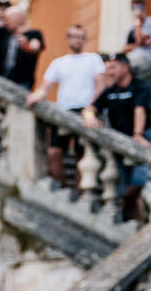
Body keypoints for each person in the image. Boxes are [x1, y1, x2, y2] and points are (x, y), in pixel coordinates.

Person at [84, 55, 151, 221]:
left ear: (125, 67)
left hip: (142, 140)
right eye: (107, 69)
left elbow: (139, 110)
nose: (108, 72)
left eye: (112, 68)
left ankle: (135, 216)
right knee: (125, 187)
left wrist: (138, 135)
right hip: (120, 145)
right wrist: (90, 116)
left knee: (137, 185)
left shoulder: (140, 86)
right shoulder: (110, 91)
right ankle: (136, 220)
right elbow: (91, 108)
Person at [26, 24, 104, 187]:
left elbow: (100, 85)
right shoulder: (59, 63)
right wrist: (35, 96)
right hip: (63, 111)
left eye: (81, 37)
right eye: (75, 37)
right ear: (68, 39)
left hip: (85, 111)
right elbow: (45, 87)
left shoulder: (93, 59)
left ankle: (78, 191)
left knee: (82, 155)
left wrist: (92, 107)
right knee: (54, 152)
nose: (78, 41)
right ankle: (61, 187)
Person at [0, 6, 44, 89]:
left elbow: (35, 48)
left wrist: (26, 46)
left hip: (22, 82)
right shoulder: (6, 34)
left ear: (17, 19)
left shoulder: (33, 34)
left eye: (8, 19)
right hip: (4, 77)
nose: (6, 23)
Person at [121, 0, 151, 69]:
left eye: (140, 8)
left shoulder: (149, 21)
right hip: (131, 56)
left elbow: (140, 40)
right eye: (134, 8)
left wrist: (138, 23)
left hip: (144, 56)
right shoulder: (130, 27)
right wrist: (138, 45)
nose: (137, 11)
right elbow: (124, 48)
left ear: (144, 9)